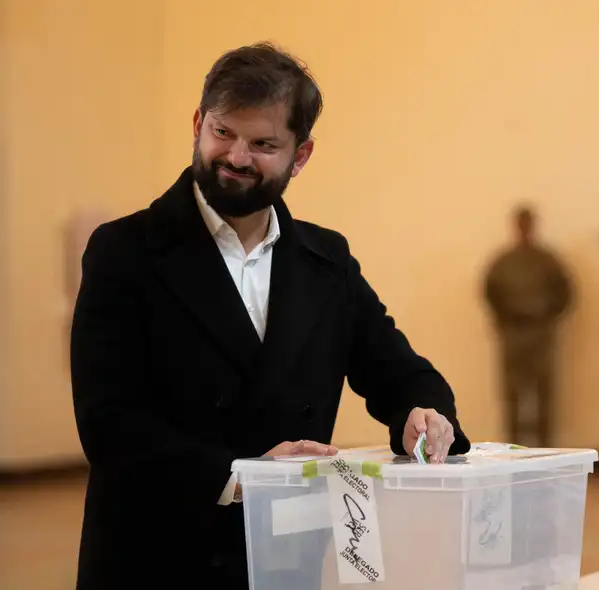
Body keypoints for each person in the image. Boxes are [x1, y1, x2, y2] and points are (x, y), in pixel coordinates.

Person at [70, 42, 470, 590]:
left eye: (262, 144)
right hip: (156, 556)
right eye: (223, 133)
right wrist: (244, 477)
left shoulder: (327, 261)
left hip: (282, 560)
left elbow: (397, 369)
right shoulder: (124, 251)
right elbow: (108, 423)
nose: (236, 157)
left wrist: (424, 413)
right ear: (197, 124)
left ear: (300, 156)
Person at [484, 205, 573, 447]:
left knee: (544, 394)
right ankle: (513, 449)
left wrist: (548, 317)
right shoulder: (503, 262)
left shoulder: (548, 262)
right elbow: (490, 293)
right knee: (512, 394)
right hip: (513, 335)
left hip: (541, 334)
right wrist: (504, 321)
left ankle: (544, 450)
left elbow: (565, 293)